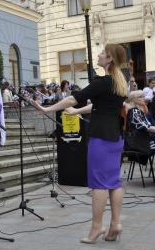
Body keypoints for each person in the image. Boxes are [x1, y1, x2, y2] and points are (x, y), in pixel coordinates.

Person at [32, 43, 128, 244]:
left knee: (99, 184)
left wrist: (47, 110)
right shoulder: (120, 82)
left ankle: (97, 227)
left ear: (109, 59)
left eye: (103, 53)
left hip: (101, 138)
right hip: (116, 137)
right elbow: (98, 105)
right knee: (114, 182)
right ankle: (115, 224)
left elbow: (72, 99)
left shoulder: (101, 81)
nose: (99, 56)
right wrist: (76, 113)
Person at [125, 90, 155, 160]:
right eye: (141, 97)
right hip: (136, 143)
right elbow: (145, 127)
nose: (144, 98)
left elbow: (149, 126)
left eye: (144, 96)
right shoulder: (134, 111)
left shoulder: (139, 111)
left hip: (143, 141)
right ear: (135, 99)